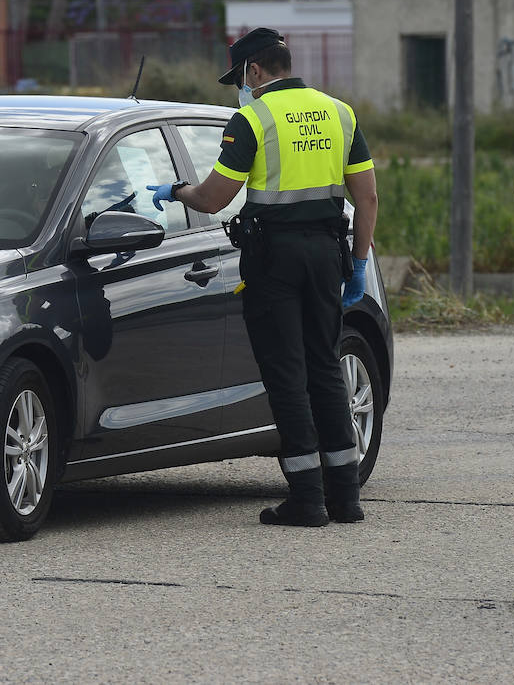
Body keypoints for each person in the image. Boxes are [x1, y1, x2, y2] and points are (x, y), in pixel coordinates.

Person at [148, 27, 379, 527]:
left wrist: (174, 190)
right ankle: (345, 497)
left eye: (241, 79)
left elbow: (213, 199)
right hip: (327, 254)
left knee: (285, 373)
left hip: (275, 261)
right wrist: (358, 263)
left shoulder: (252, 118)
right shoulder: (340, 112)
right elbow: (368, 197)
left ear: (254, 71)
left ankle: (306, 499)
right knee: (324, 365)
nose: (241, 89)